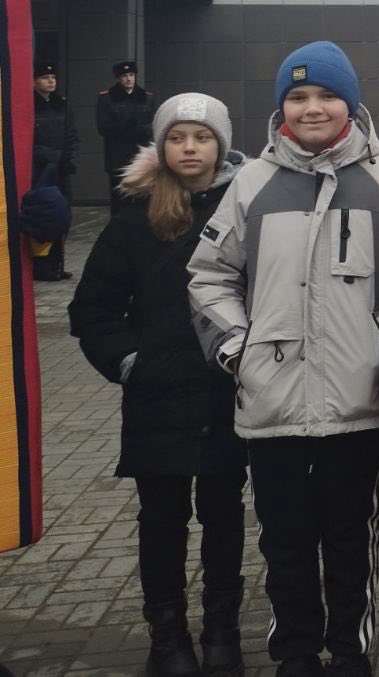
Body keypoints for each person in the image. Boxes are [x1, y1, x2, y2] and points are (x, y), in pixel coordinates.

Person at [188, 41, 379, 677]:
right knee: (284, 539)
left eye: (326, 95)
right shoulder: (252, 183)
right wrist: (238, 350)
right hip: (272, 401)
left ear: (351, 104)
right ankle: (294, 652)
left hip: (357, 400)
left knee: (351, 536)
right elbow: (209, 276)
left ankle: (350, 653)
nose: (312, 108)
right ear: (280, 108)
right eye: (297, 97)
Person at [69, 93, 249, 677]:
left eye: (202, 136)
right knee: (162, 520)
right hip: (158, 397)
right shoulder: (135, 219)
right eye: (177, 137)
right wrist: (130, 362)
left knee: (224, 515)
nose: (189, 147)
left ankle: (222, 630)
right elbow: (93, 309)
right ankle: (167, 638)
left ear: (221, 144)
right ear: (161, 146)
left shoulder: (245, 209)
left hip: (226, 394)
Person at [31, 60, 78, 281]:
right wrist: (54, 156)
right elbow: (28, 142)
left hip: (61, 170)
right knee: (44, 217)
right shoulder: (30, 106)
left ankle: (58, 263)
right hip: (40, 171)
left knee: (63, 216)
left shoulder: (62, 104)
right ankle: (42, 266)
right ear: (34, 81)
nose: (51, 81)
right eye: (45, 78)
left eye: (53, 78)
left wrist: (69, 158)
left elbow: (72, 136)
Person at [97, 59, 156, 216]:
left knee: (142, 197)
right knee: (119, 199)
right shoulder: (107, 98)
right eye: (124, 76)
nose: (129, 79)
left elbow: (154, 124)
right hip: (118, 155)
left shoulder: (147, 98)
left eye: (131, 75)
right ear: (119, 78)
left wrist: (142, 130)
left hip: (141, 155)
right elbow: (103, 127)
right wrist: (125, 127)